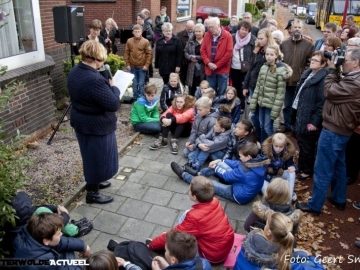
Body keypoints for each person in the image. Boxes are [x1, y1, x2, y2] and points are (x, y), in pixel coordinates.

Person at [296, 49, 360, 216]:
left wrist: (332, 70)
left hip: (334, 129)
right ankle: (339, 198)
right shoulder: (353, 77)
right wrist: (338, 70)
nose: (341, 61)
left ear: (356, 63)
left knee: (323, 168)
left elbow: (329, 92)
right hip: (342, 129)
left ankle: (315, 205)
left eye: (345, 59)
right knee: (339, 165)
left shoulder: (356, 82)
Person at [68, 40, 119, 204]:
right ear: (96, 58)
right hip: (94, 126)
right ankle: (92, 194)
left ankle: (96, 181)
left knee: (94, 157)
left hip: (83, 122)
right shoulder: (93, 79)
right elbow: (113, 104)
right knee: (96, 158)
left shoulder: (76, 70)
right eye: (102, 59)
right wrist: (114, 87)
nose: (103, 63)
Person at [149, 176, 234, 264]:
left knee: (180, 241)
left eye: (189, 190)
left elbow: (176, 234)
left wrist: (152, 245)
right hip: (224, 246)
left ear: (194, 197)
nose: (188, 191)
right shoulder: (215, 201)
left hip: (212, 255)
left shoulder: (195, 217)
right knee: (187, 214)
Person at [182, 142, 270, 205]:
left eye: (241, 156)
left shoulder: (244, 170)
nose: (239, 157)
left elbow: (227, 177)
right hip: (243, 185)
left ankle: (185, 176)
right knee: (220, 164)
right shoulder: (256, 162)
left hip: (237, 195)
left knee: (209, 185)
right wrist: (221, 161)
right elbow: (237, 163)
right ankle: (199, 174)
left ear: (248, 157)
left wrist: (216, 167)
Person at [234, 212, 325, 270]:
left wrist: (295, 252)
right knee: (308, 261)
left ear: (269, 232)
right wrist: (312, 258)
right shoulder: (282, 263)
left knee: (301, 255)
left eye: (266, 224)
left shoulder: (250, 240)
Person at [291, 51, 327, 180]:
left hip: (310, 118)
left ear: (323, 64)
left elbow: (321, 103)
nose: (312, 61)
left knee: (308, 146)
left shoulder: (322, 79)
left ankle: (307, 170)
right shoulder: (309, 73)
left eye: (316, 60)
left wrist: (315, 122)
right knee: (301, 143)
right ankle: (300, 165)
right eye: (312, 59)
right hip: (301, 113)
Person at [14, 213, 91, 267]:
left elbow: (60, 242)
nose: (61, 234)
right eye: (58, 234)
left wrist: (83, 246)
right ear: (46, 241)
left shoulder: (31, 233)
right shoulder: (45, 261)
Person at [250, 44, 292, 143]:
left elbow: (280, 93)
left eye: (271, 54)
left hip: (271, 104)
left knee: (267, 128)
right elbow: (258, 87)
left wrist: (275, 110)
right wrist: (254, 102)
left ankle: (271, 148)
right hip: (261, 102)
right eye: (267, 54)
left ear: (276, 55)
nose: (268, 56)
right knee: (261, 125)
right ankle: (264, 148)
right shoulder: (264, 67)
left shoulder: (280, 70)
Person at [280, 19, 314, 133]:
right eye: (295, 27)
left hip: (301, 81)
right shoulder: (284, 44)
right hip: (287, 81)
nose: (297, 29)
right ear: (291, 28)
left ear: (302, 29)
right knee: (287, 105)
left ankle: (296, 126)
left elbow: (310, 63)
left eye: (299, 27)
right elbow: (280, 61)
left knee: (299, 106)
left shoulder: (308, 45)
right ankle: (287, 124)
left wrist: (303, 75)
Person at [200, 17, 233, 97]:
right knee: (210, 92)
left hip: (223, 69)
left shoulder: (227, 36)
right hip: (209, 69)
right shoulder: (207, 35)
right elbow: (202, 50)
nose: (210, 29)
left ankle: (220, 108)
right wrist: (208, 63)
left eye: (212, 27)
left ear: (218, 25)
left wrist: (217, 65)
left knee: (222, 92)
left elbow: (228, 53)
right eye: (208, 27)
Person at [261, 133, 298, 201]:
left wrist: (293, 167)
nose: (278, 149)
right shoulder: (265, 151)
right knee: (266, 192)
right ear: (272, 143)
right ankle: (276, 199)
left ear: (285, 145)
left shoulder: (288, 152)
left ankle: (288, 198)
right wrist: (273, 179)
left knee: (292, 173)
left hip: (279, 175)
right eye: (276, 146)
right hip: (267, 177)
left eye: (281, 147)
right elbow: (262, 168)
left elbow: (289, 165)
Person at [230, 21, 256, 110]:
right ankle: (235, 105)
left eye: (246, 30)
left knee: (243, 87)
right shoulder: (232, 37)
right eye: (242, 29)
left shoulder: (253, 39)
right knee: (235, 87)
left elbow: (254, 54)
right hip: (234, 66)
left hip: (246, 68)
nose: (244, 32)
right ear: (239, 29)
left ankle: (242, 106)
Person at [124, 24, 152, 100]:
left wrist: (146, 65)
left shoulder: (145, 41)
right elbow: (126, 53)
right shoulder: (129, 41)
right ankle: (136, 96)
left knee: (141, 83)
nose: (137, 33)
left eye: (138, 32)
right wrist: (127, 64)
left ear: (141, 32)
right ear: (133, 32)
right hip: (132, 66)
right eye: (135, 32)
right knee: (135, 83)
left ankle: (142, 96)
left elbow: (149, 54)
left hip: (142, 67)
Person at [184, 23, 205, 96]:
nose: (197, 33)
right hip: (192, 68)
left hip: (203, 68)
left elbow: (207, 55)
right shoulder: (191, 40)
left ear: (203, 32)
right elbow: (185, 51)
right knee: (191, 88)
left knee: (202, 88)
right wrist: (190, 58)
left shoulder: (206, 41)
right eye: (196, 31)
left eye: (199, 31)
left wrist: (197, 58)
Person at [177, 20, 195, 86]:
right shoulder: (179, 35)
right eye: (188, 29)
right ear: (185, 26)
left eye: (191, 29)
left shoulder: (197, 34)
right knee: (182, 79)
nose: (190, 31)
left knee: (192, 81)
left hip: (193, 62)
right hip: (183, 62)